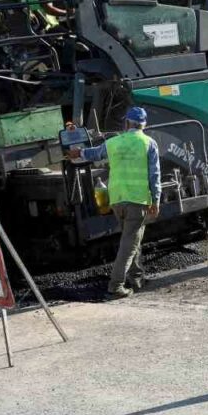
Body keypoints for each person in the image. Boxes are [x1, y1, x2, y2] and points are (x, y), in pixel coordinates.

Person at [68, 106, 160, 299]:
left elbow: (95, 154)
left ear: (127, 123)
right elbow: (154, 175)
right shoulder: (149, 143)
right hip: (138, 199)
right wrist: (156, 200)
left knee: (130, 240)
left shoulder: (113, 142)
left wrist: (79, 153)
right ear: (144, 125)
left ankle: (136, 278)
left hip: (117, 200)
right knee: (130, 243)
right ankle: (116, 285)